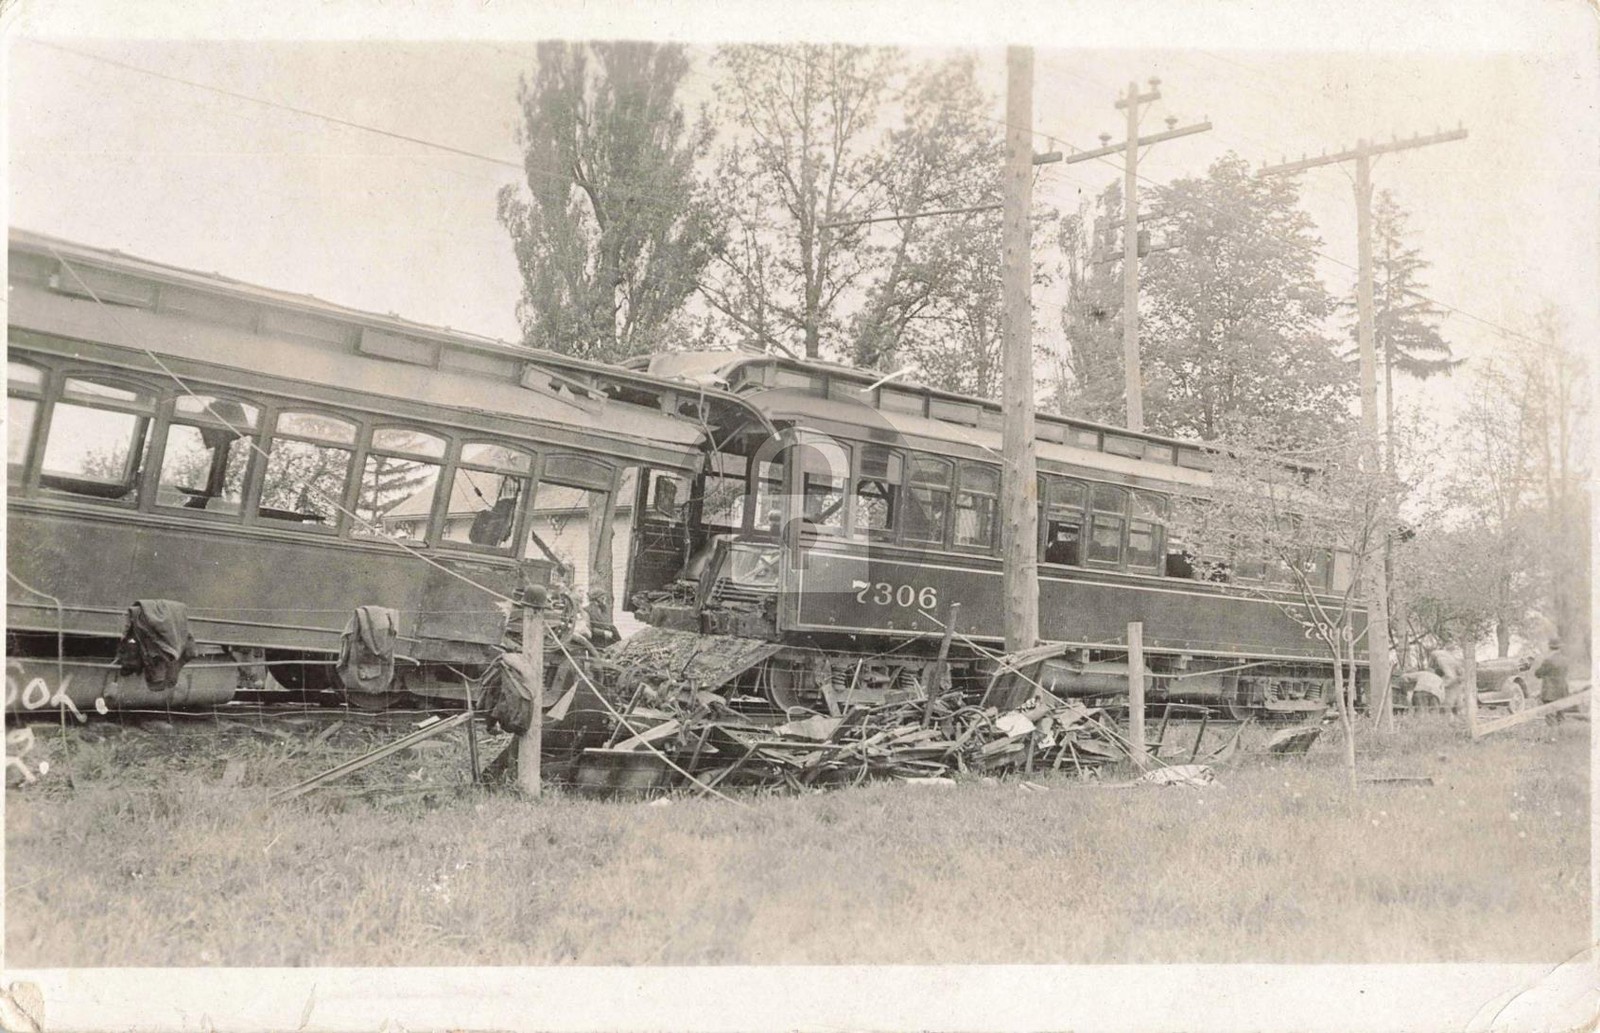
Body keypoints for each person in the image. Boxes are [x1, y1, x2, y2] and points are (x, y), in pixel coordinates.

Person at [1535, 639, 1569, 726]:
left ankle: (1552, 735)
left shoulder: (1548, 660)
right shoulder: (1565, 660)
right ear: (1560, 648)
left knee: (1549, 714)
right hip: (1562, 690)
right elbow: (1566, 673)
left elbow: (1538, 674)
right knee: (1561, 714)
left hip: (1550, 691)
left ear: (1549, 648)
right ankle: (1563, 734)